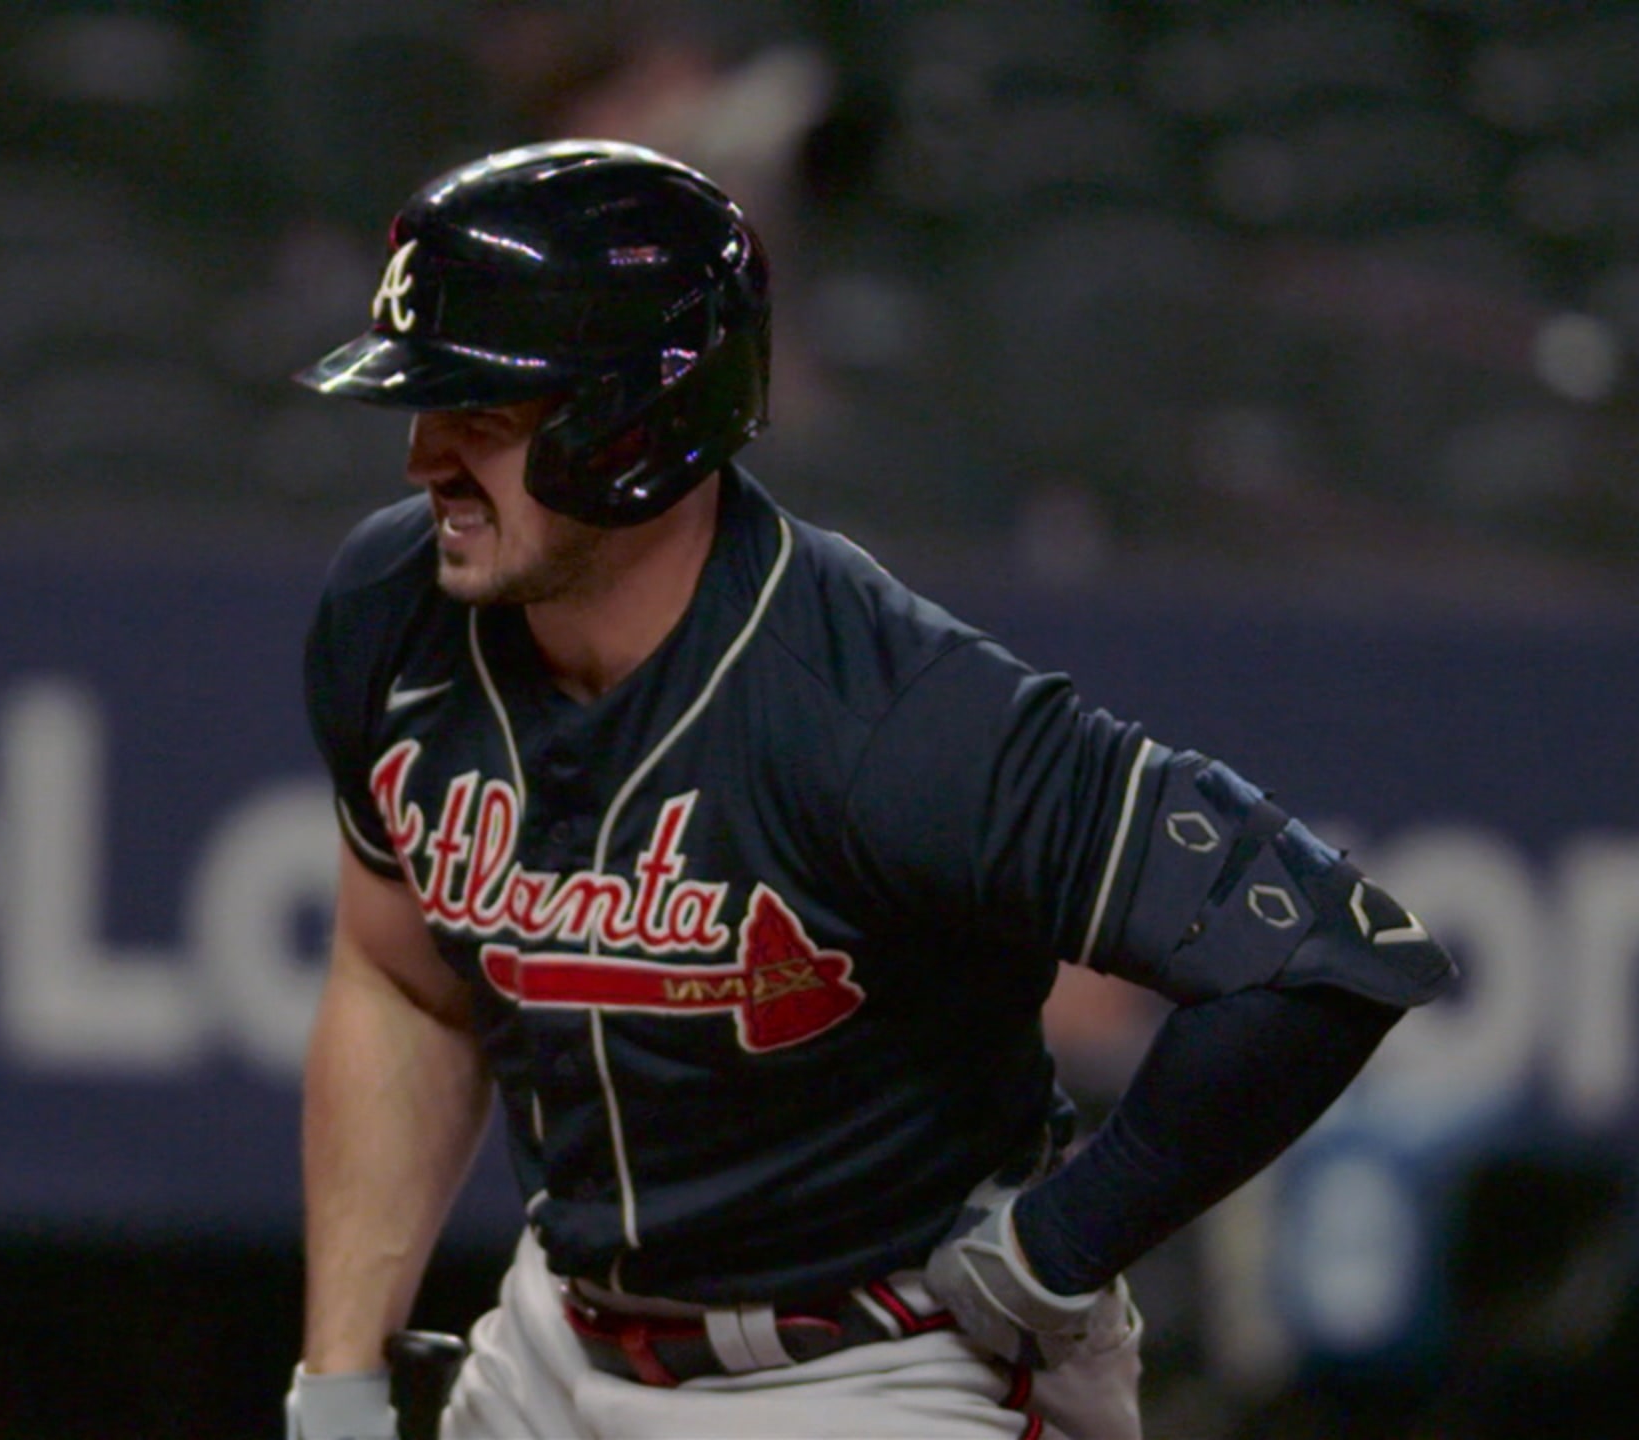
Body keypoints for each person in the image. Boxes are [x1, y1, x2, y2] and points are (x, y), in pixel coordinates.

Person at [283, 140, 1455, 1440]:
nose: (421, 460)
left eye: (480, 418)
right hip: (558, 1340)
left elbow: (1327, 954)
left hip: (877, 1370)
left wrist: (1064, 1240)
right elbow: (399, 978)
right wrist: (339, 1379)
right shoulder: (390, 612)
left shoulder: (886, 708)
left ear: (634, 423)